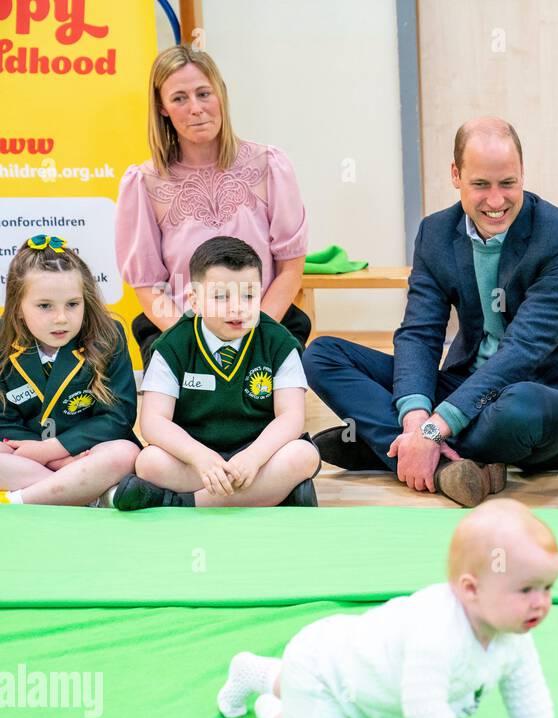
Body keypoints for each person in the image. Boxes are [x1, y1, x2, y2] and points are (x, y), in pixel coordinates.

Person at [304, 117, 558, 508]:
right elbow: (420, 332)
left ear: (523, 174)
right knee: (322, 354)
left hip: (547, 393)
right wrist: (416, 418)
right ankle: (438, 464)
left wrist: (436, 427)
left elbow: (524, 350)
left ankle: (386, 448)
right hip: (467, 383)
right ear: (456, 175)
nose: (496, 201)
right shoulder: (435, 233)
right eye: (481, 184)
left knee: (520, 409)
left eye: (508, 183)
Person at [216, 499, 558, 718]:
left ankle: (270, 677)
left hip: (346, 674)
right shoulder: (436, 633)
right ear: (471, 590)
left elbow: (524, 685)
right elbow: (423, 707)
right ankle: (270, 702)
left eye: (547, 588)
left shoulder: (512, 631)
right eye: (526, 589)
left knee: (324, 697)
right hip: (321, 670)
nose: (541, 603)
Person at [116, 45, 309, 362]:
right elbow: (149, 286)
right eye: (179, 98)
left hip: (263, 324)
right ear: (162, 107)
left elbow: (290, 268)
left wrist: (254, 333)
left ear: (221, 95)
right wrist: (192, 341)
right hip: (182, 331)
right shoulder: (144, 183)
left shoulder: (270, 165)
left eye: (204, 93)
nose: (195, 108)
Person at [114, 237, 319, 509]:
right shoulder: (172, 346)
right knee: (149, 463)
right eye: (221, 297)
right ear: (195, 301)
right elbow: (153, 421)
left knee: (303, 455)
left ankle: (179, 503)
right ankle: (275, 494)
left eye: (248, 295)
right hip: (195, 459)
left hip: (259, 455)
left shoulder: (278, 342)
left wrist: (253, 458)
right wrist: (200, 457)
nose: (237, 307)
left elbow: (291, 416)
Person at [0, 236, 139, 506]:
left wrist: (55, 448)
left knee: (125, 453)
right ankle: (88, 493)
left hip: (88, 452)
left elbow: (118, 417)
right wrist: (48, 457)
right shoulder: (3, 340)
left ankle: (17, 501)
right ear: (17, 308)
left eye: (72, 304)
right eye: (45, 306)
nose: (61, 317)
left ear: (86, 301)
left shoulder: (108, 336)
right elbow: (3, 422)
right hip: (29, 454)